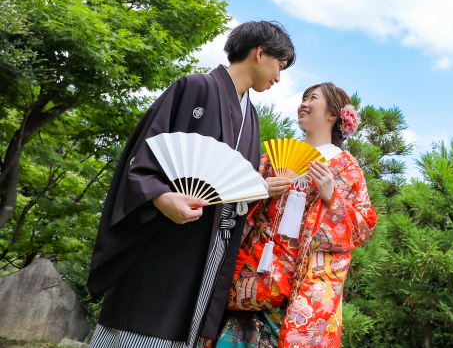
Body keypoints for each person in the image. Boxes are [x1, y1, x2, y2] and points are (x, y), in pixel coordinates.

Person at [86, 21, 296, 348]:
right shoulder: (194, 88)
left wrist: (258, 188)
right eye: (279, 66)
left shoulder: (251, 118)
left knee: (187, 331)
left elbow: (231, 184)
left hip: (213, 246)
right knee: (140, 326)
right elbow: (141, 156)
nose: (278, 78)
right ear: (260, 53)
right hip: (165, 236)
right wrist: (160, 198)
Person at [218, 83, 378, 348]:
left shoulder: (345, 167)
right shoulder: (275, 158)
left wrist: (332, 197)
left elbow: (362, 227)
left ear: (333, 114)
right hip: (254, 272)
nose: (303, 103)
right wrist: (260, 189)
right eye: (303, 98)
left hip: (301, 280)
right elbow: (238, 202)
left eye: (312, 98)